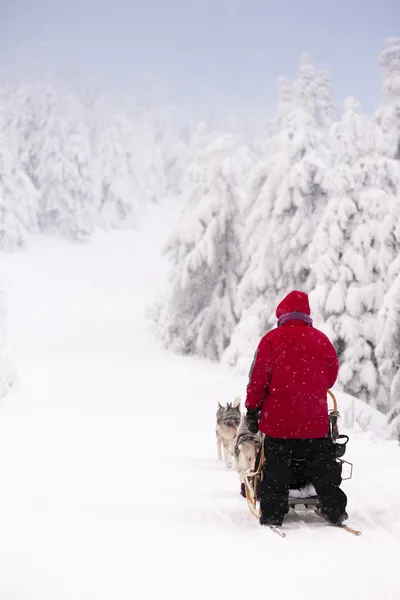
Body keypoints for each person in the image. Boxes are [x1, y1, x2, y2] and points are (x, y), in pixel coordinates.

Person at [245, 290, 348, 527]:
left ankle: (273, 513)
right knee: (323, 468)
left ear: (282, 314)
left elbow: (258, 381)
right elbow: (330, 377)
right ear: (306, 315)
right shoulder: (321, 340)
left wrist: (252, 410)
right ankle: (335, 510)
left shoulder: (270, 340)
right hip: (314, 421)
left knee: (276, 470)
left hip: (278, 422)